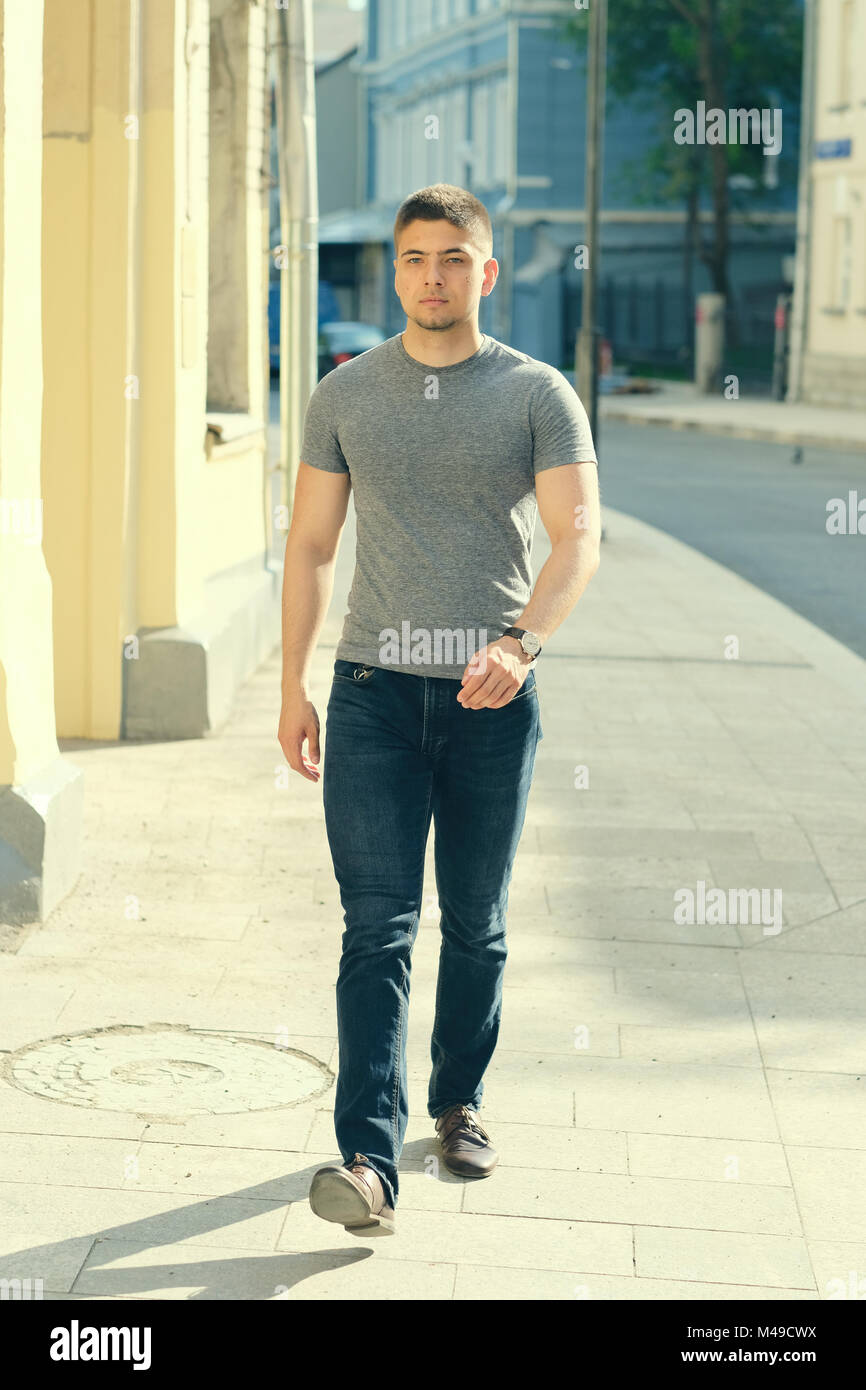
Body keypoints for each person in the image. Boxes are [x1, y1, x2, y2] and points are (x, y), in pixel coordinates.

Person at [277, 183, 600, 1237]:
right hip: (370, 693)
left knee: (476, 923)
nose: (431, 276)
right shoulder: (345, 395)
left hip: (487, 699)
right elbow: (312, 546)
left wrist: (521, 643)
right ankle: (366, 1161)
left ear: (485, 272)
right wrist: (291, 681)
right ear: (397, 270)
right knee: (375, 927)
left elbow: (577, 535)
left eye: (452, 259)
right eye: (415, 258)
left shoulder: (535, 394)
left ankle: (457, 1099)